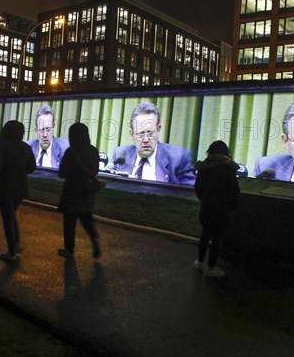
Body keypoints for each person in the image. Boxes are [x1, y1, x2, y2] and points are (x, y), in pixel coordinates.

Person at [111, 101, 196, 185]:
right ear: (132, 134)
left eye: (150, 133)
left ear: (158, 130)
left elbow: (189, 194)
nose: (146, 140)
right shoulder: (120, 155)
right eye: (141, 134)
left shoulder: (179, 158)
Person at [0, 121, 36, 262]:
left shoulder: (2, 146)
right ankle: (15, 245)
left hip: (5, 187)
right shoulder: (26, 147)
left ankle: (12, 252)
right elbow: (31, 168)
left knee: (8, 219)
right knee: (11, 216)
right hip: (20, 187)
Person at [194, 140, 240, 277]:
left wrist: (204, 199)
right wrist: (232, 205)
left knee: (205, 235)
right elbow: (234, 190)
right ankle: (211, 267)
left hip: (206, 207)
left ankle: (200, 262)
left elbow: (198, 188)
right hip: (222, 208)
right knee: (217, 239)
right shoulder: (228, 168)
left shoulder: (203, 167)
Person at [57, 123, 101, 259]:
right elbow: (95, 171)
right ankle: (94, 237)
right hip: (87, 191)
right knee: (86, 218)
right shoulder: (93, 151)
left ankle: (69, 249)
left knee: (69, 221)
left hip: (72, 190)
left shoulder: (71, 152)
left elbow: (62, 173)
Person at [27, 103, 69, 169]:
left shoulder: (65, 149)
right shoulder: (27, 148)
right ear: (36, 130)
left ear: (53, 126)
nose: (45, 135)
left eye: (48, 129)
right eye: (42, 130)